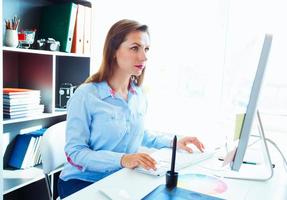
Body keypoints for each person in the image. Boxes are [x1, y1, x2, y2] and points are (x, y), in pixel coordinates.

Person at [57, 19, 205, 198]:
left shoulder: (138, 95)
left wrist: (175, 142)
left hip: (120, 179)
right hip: (82, 182)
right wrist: (122, 159)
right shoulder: (86, 95)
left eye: (146, 49)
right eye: (135, 48)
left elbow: (140, 133)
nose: (144, 57)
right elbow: (75, 152)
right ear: (113, 51)